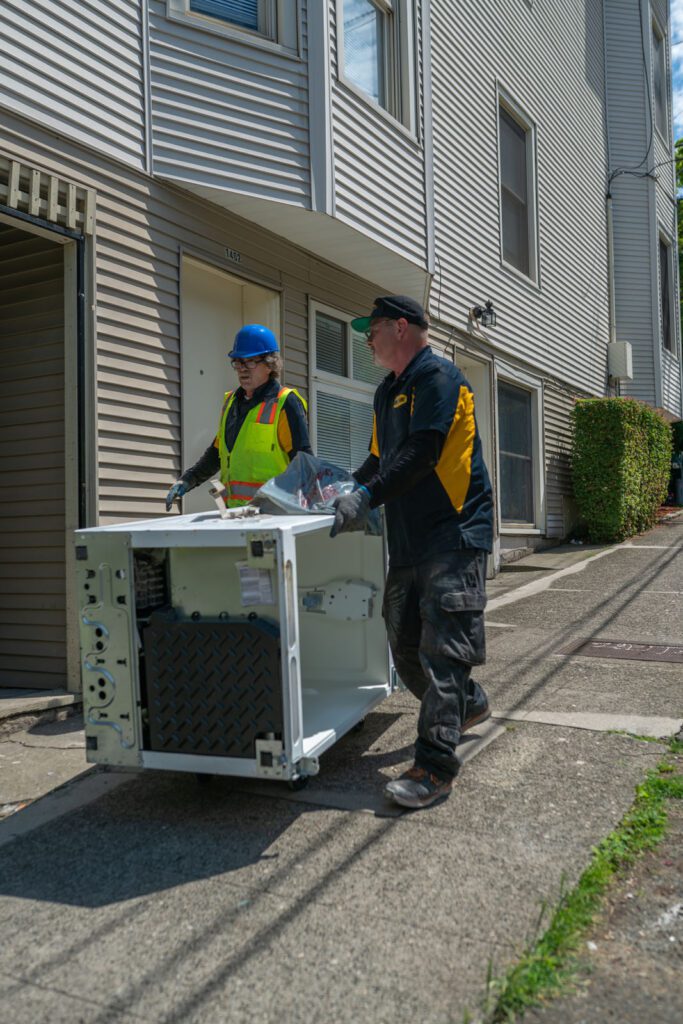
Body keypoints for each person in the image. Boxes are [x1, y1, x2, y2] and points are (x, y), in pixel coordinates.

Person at [331, 295, 494, 810]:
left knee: (442, 652)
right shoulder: (387, 391)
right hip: (407, 541)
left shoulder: (440, 379)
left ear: (401, 328)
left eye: (371, 329)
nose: (366, 339)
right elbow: (381, 458)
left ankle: (434, 767)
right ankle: (467, 705)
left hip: (453, 533)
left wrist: (367, 497)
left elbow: (422, 454)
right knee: (402, 646)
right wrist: (339, 487)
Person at [166, 324, 312, 511]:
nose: (242, 369)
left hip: (275, 516)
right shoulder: (231, 403)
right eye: (238, 362)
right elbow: (216, 454)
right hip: (235, 515)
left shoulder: (285, 403)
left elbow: (303, 463)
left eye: (250, 361)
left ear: (270, 364)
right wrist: (188, 479)